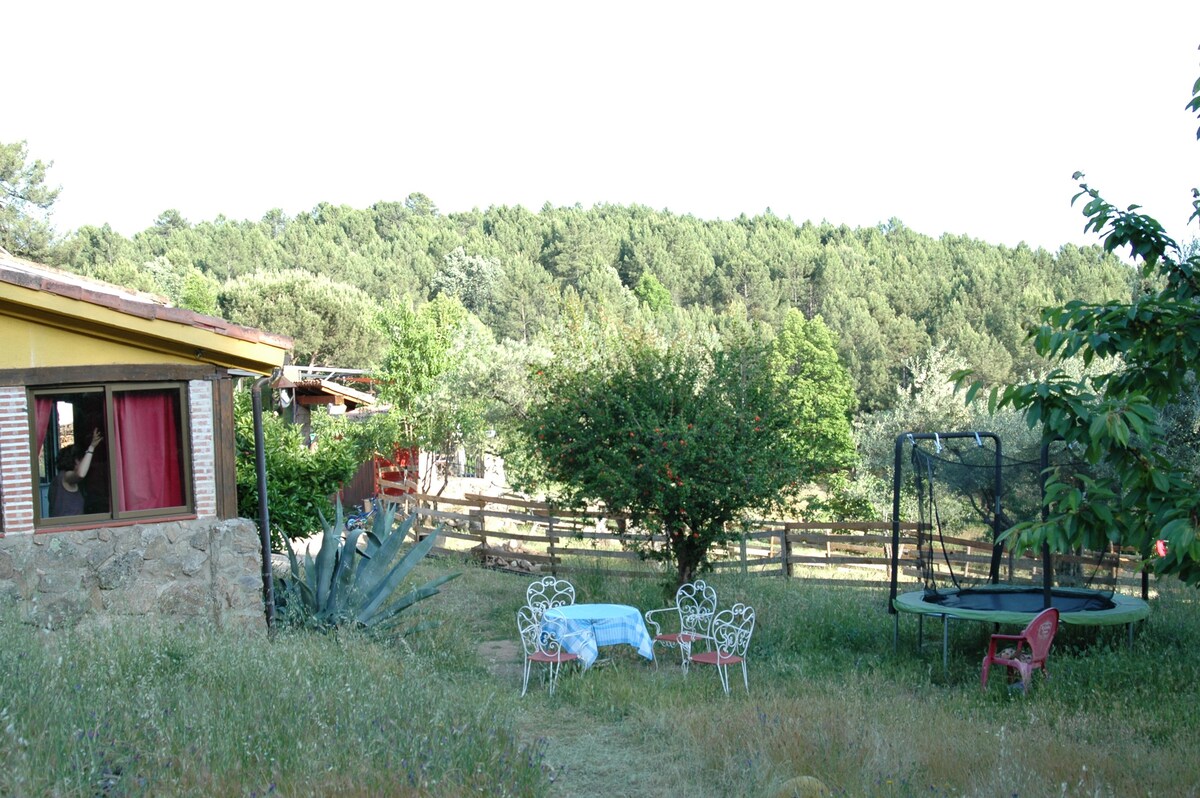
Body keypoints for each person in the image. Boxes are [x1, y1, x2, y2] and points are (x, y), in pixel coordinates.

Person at [48, 428, 103, 517]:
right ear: (76, 460)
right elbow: (81, 474)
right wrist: (91, 448)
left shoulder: (60, 479)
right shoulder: (65, 477)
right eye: (82, 459)